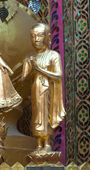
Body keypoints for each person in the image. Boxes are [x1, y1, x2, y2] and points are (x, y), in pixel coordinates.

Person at [21, 23, 65, 153]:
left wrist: (40, 69)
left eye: (40, 35)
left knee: (45, 115)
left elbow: (58, 75)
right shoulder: (29, 57)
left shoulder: (53, 55)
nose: (36, 39)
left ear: (48, 37)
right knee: (36, 116)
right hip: (35, 90)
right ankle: (39, 144)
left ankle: (47, 144)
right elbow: (23, 79)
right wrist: (32, 70)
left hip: (48, 91)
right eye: (33, 36)